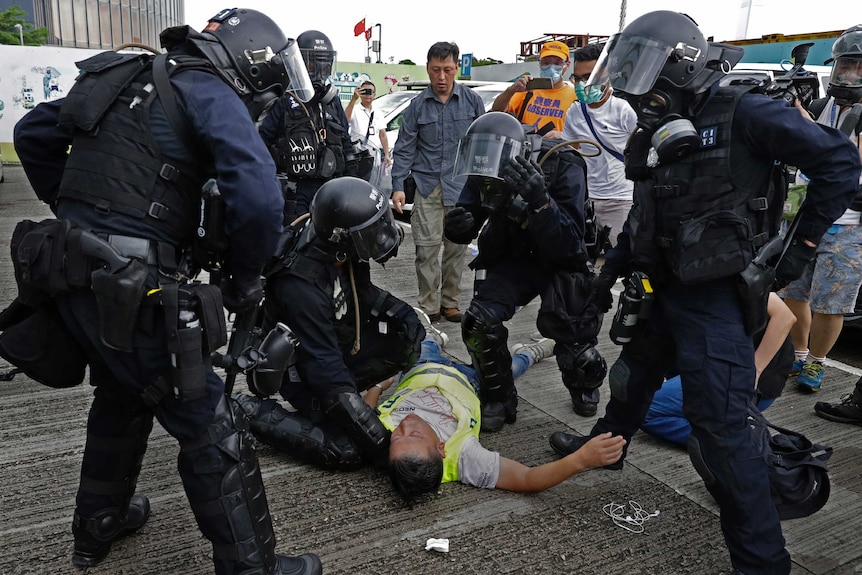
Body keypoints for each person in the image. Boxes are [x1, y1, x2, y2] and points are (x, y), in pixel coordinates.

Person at [546, 11, 861, 575]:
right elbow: (646, 214)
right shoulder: (653, 128)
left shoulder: (744, 110)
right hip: (664, 286)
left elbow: (839, 161)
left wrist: (795, 252)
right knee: (630, 379)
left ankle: (763, 561)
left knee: (722, 429)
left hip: (717, 297)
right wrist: (603, 278)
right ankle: (605, 449)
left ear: (683, 64)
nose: (639, 87)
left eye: (648, 68)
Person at [12, 8, 323, 575]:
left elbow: (32, 133)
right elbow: (258, 199)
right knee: (209, 421)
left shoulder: (119, 73)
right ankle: (253, 569)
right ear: (249, 59)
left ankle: (98, 525)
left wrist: (80, 216)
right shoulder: (209, 90)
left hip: (66, 271)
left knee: (122, 394)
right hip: (133, 285)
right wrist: (246, 278)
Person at [234, 177, 424, 470]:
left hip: (333, 336)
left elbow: (361, 293)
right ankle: (248, 411)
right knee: (346, 450)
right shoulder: (301, 285)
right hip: (301, 369)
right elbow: (326, 369)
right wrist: (380, 447)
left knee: (404, 338)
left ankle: (352, 394)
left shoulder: (342, 249)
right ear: (340, 237)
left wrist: (401, 313)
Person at [443, 111, 603, 431]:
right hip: (514, 256)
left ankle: (583, 384)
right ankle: (499, 396)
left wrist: (539, 200)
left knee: (574, 330)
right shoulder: (485, 165)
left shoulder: (564, 164)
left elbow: (571, 245)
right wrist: (458, 227)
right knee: (478, 321)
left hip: (560, 258)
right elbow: (469, 214)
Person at [369, 336, 625, 503]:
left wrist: (377, 387)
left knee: (420, 340)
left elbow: (362, 412)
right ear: (441, 448)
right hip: (471, 383)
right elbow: (528, 479)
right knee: (508, 369)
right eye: (413, 434)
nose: (403, 426)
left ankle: (434, 337)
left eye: (396, 437)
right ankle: (531, 353)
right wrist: (581, 459)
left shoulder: (381, 441)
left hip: (422, 367)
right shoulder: (463, 458)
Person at [781, 25, 862, 393]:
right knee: (794, 291)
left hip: (847, 223)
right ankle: (799, 355)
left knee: (832, 302)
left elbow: (846, 164)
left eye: (860, 67)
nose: (851, 74)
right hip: (803, 216)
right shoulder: (817, 104)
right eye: (846, 65)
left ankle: (817, 362)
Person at [390, 41, 486, 324]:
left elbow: (481, 145)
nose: (441, 77)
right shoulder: (417, 106)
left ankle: (451, 303)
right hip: (428, 187)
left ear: (456, 68)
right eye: (435, 70)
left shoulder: (472, 102)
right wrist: (397, 185)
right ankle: (429, 305)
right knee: (427, 250)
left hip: (462, 189)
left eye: (447, 69)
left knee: (457, 250)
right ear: (428, 69)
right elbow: (405, 147)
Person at [642, 293, 796, 445]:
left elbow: (785, 316)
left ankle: (742, 441)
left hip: (747, 382)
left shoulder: (728, 273)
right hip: (716, 366)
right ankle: (723, 423)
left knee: (645, 409)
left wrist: (755, 369)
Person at [259, 29, 357, 221]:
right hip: (296, 190)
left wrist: (352, 181)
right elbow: (261, 142)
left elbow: (345, 141)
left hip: (332, 189)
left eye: (324, 66)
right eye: (312, 66)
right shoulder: (284, 100)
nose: (319, 74)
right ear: (300, 65)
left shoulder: (332, 101)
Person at [561, 42, 638, 247]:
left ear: (606, 76)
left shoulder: (624, 109)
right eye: (576, 78)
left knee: (621, 261)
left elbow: (644, 151)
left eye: (588, 77)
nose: (580, 83)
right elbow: (572, 150)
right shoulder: (575, 111)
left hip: (621, 200)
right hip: (586, 200)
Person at [491, 40, 576, 138]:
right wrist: (511, 90)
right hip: (526, 148)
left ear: (567, 64)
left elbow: (583, 135)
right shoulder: (527, 89)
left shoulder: (574, 96)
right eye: (546, 63)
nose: (551, 67)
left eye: (557, 63)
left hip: (556, 150)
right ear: (539, 63)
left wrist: (563, 135)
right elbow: (497, 111)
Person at [345, 80, 391, 182]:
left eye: (371, 92)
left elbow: (382, 134)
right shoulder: (355, 109)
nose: (368, 95)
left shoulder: (378, 112)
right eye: (364, 91)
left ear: (375, 94)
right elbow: (345, 120)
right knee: (359, 183)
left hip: (374, 156)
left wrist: (387, 154)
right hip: (359, 155)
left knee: (374, 183)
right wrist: (353, 99)